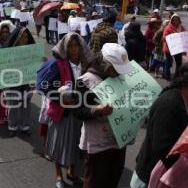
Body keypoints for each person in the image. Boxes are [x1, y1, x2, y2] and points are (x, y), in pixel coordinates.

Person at [75, 43, 134, 188]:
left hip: (119, 140)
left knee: (113, 177)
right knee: (95, 180)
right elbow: (77, 111)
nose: (120, 73)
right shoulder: (86, 81)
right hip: (98, 144)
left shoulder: (121, 78)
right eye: (116, 69)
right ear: (105, 65)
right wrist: (97, 110)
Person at [41, 33, 91, 188]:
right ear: (65, 47)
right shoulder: (58, 64)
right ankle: (58, 175)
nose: (74, 49)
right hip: (62, 113)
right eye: (70, 46)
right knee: (58, 144)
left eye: (76, 45)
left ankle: (72, 172)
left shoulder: (86, 64)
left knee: (77, 144)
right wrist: (61, 98)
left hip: (80, 112)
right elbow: (46, 87)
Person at [131, 64, 188, 188]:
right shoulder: (169, 104)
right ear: (185, 85)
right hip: (150, 174)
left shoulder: (181, 101)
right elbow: (161, 146)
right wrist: (183, 169)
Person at [0, 27, 35, 136]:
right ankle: (12, 127)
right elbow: (1, 66)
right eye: (22, 37)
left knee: (26, 104)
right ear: (17, 38)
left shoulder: (31, 51)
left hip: (26, 83)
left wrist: (42, 62)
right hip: (12, 82)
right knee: (13, 104)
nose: (25, 39)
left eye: (26, 37)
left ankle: (25, 126)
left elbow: (35, 67)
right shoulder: (8, 52)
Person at [163, 14, 186, 81]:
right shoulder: (168, 28)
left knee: (179, 63)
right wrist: (173, 37)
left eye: (177, 19)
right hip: (169, 48)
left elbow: (184, 36)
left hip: (178, 49)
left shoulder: (182, 28)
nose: (176, 21)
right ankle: (167, 75)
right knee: (168, 62)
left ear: (179, 20)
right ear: (172, 20)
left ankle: (177, 76)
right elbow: (164, 38)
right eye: (174, 19)